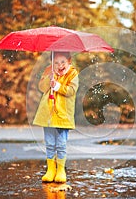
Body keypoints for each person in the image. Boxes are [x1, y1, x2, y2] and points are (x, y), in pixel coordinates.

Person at [33, 52, 79, 183]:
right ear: (52, 63)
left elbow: (71, 90)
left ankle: (61, 170)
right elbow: (41, 87)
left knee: (61, 143)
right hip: (48, 113)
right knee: (49, 143)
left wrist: (57, 86)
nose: (60, 65)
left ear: (69, 61)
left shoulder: (73, 74)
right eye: (56, 63)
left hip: (62, 114)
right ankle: (51, 169)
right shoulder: (49, 71)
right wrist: (49, 79)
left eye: (63, 62)